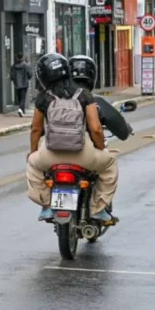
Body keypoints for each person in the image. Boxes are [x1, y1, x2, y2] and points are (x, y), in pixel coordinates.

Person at [26, 53, 118, 222]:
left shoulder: (43, 98)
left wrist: (32, 153)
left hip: (50, 154)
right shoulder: (84, 95)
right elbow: (96, 129)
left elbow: (36, 129)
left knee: (32, 164)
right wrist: (100, 147)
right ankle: (97, 208)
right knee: (110, 164)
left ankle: (47, 205)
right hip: (83, 154)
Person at [10, 52, 32, 117]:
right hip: (24, 83)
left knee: (19, 97)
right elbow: (30, 74)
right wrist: (27, 77)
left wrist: (15, 80)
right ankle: (20, 108)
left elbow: (12, 76)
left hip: (17, 84)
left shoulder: (13, 66)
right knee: (23, 97)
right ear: (22, 57)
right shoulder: (26, 65)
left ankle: (22, 110)